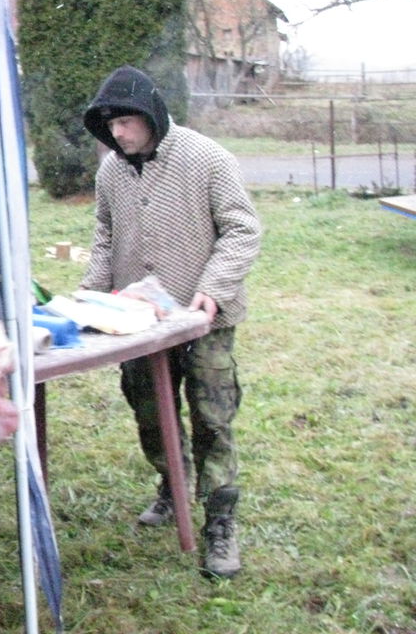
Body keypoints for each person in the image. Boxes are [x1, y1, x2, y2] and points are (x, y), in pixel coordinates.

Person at [79, 65, 261, 579]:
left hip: (203, 317)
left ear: (151, 115)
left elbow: (242, 229)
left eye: (125, 122)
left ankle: (220, 519)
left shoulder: (207, 158)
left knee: (212, 414)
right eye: (109, 124)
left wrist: (214, 288)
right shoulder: (111, 172)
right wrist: (90, 296)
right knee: (149, 410)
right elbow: (105, 237)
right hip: (138, 319)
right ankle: (172, 482)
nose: (117, 133)